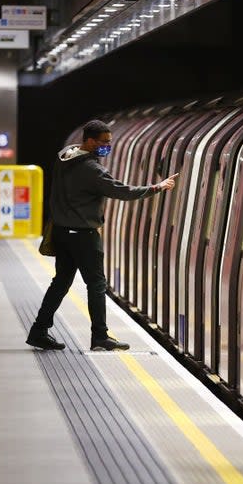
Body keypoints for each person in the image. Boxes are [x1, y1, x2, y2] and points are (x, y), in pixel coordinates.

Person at [26, 119, 178, 351]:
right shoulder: (91, 169)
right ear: (89, 140)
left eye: (109, 141)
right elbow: (122, 191)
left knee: (60, 283)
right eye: (103, 142)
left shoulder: (65, 157)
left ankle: (38, 330)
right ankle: (100, 336)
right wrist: (156, 187)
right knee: (96, 284)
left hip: (62, 232)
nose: (107, 145)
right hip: (83, 235)